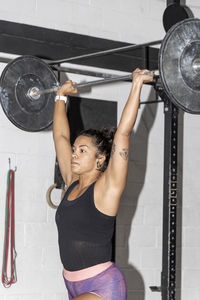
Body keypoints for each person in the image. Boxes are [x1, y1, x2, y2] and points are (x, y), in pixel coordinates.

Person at [53, 68, 153, 300]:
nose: (74, 155)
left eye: (82, 151)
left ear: (100, 159)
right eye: (75, 150)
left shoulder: (107, 189)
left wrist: (136, 84)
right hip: (71, 284)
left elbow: (123, 135)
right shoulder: (71, 181)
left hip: (103, 286)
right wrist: (60, 97)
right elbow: (60, 137)